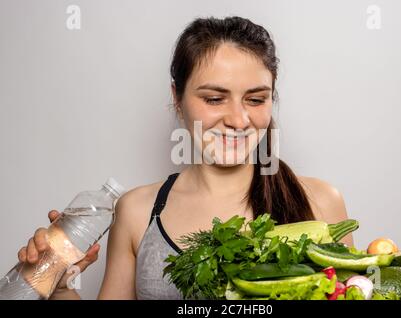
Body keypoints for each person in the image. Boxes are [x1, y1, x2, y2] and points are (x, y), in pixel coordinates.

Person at [17, 16, 353, 300]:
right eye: (214, 99)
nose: (238, 119)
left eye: (255, 99)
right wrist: (61, 284)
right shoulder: (137, 211)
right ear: (177, 99)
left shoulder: (320, 202)